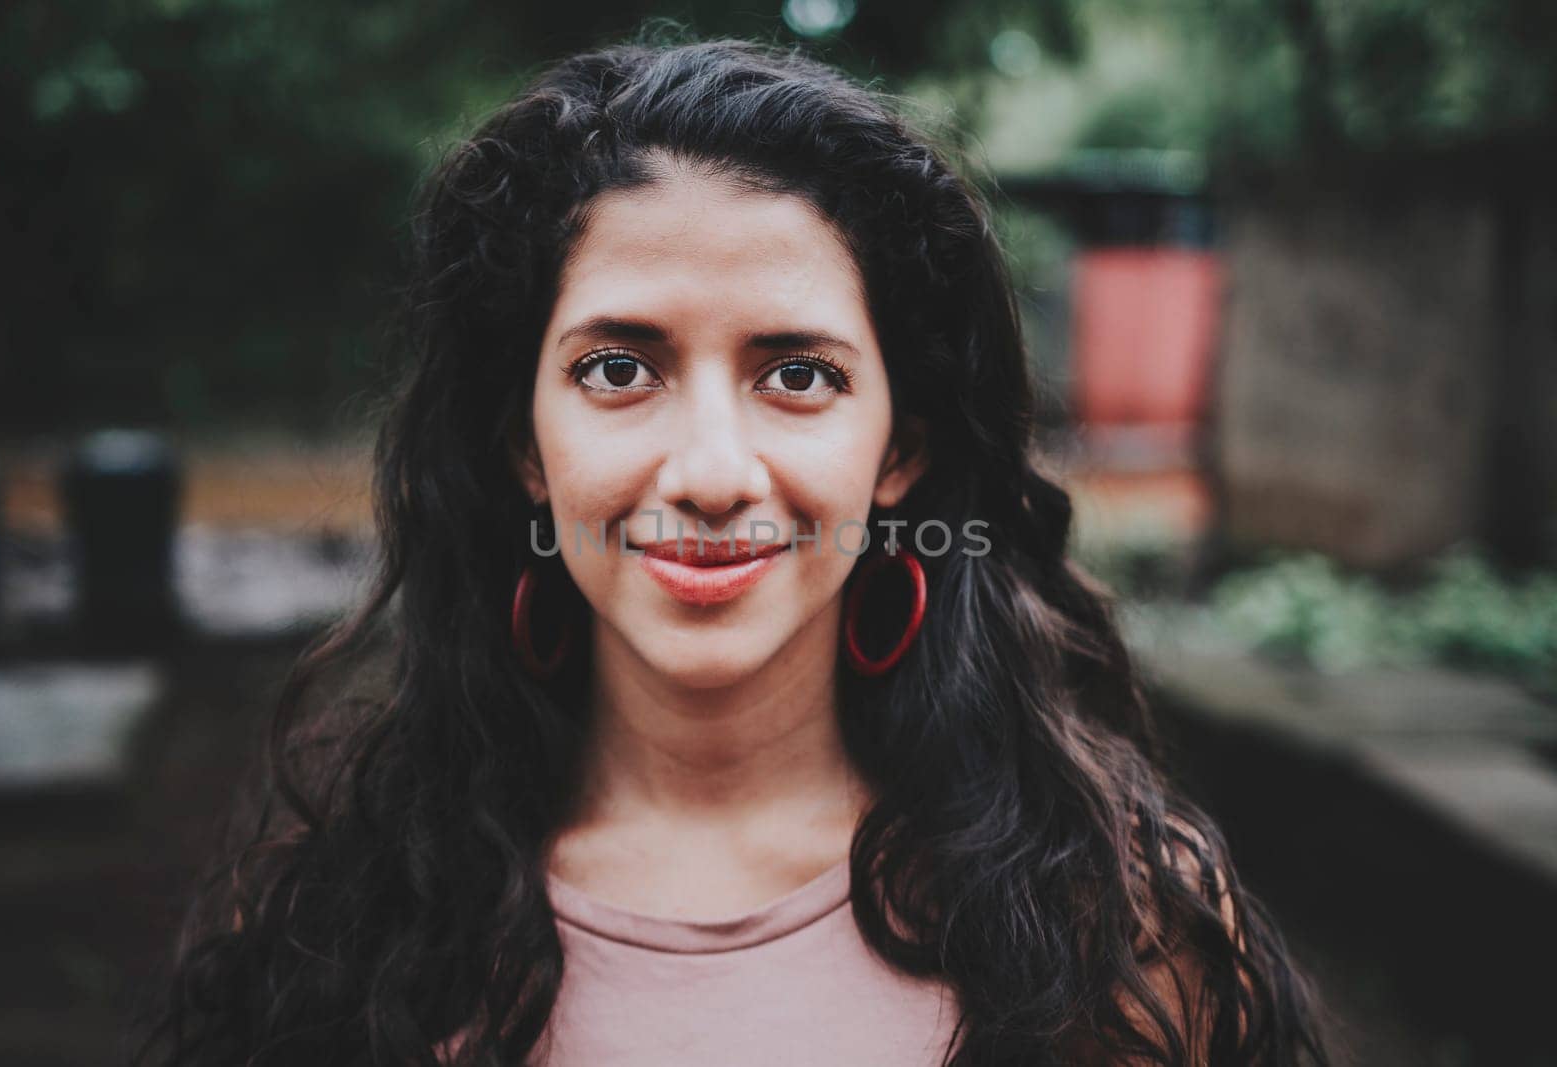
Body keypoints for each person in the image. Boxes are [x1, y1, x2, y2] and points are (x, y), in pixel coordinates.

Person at [136, 28, 1331, 1067]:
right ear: (525, 445)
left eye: (798, 374)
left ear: (898, 451)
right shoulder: (344, 928)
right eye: (618, 369)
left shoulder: (1115, 925)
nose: (711, 473)